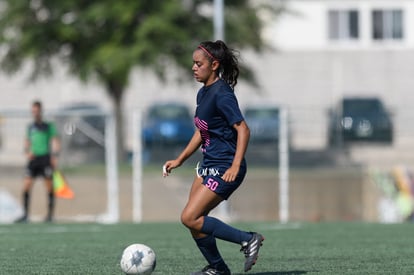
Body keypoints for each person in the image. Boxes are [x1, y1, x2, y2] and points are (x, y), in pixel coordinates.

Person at [163, 40, 264, 275]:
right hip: (208, 165)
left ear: (214, 64)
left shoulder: (222, 94)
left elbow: (243, 129)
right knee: (195, 222)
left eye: (199, 64)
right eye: (193, 63)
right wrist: (179, 160)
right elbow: (201, 131)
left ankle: (248, 239)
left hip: (226, 166)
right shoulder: (203, 93)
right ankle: (218, 269)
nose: (194, 68)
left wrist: (236, 164)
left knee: (189, 216)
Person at [15, 100, 60, 223]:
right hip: (33, 160)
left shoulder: (48, 126)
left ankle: (50, 215)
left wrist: (55, 156)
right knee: (26, 186)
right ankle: (25, 215)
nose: (35, 113)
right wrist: (27, 151)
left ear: (41, 111)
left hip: (45, 158)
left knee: (49, 187)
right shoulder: (30, 127)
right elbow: (27, 142)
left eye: (36, 111)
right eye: (33, 111)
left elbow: (55, 140)